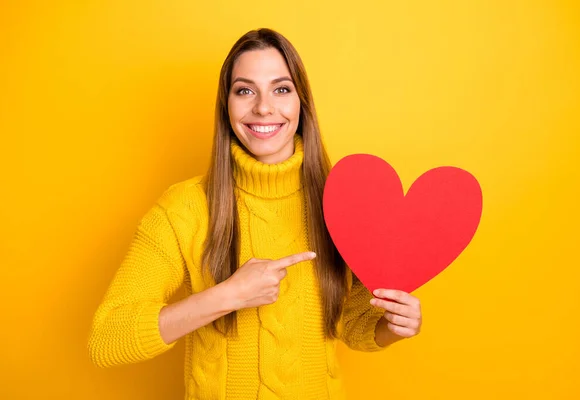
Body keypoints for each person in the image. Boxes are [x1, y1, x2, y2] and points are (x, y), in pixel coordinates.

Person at [88, 27, 422, 399]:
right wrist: (228, 296)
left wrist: (393, 326)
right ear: (226, 105)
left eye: (281, 89)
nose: (263, 107)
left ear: (302, 103)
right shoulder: (184, 208)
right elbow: (107, 338)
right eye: (245, 90)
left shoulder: (344, 201)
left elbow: (353, 325)